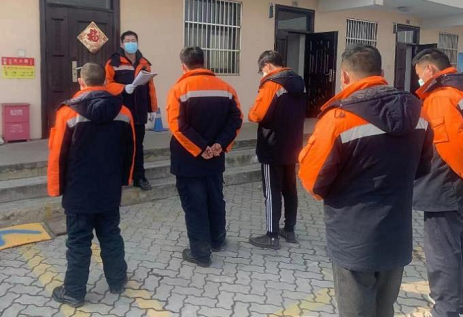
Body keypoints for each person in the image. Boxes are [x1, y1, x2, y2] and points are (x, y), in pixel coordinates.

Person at [298, 45, 432, 317]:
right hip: (396, 234)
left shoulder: (339, 118)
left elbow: (313, 180)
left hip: (354, 238)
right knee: (384, 309)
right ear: (381, 73)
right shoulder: (419, 112)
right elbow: (422, 167)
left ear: (344, 76)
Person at [47, 63, 135, 308]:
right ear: (105, 82)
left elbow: (57, 155)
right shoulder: (124, 111)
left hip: (79, 190)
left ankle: (74, 292)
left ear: (81, 82)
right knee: (111, 234)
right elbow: (130, 151)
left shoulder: (67, 112)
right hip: (109, 189)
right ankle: (117, 280)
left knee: (78, 241)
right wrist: (125, 180)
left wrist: (55, 188)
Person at [167, 46, 243, 267]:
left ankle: (200, 254)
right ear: (204, 62)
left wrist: (202, 148)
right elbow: (236, 120)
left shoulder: (179, 89)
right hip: (215, 157)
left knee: (195, 205)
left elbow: (177, 126)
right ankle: (217, 240)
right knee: (215, 199)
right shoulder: (226, 88)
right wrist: (219, 144)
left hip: (188, 160)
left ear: (184, 66)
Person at [412, 49, 463, 317]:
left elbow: (451, 145)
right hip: (455, 184)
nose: (419, 80)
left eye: (419, 74)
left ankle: (446, 309)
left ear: (429, 70)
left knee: (442, 252)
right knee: (456, 246)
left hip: (445, 185)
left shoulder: (441, 97)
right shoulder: (458, 91)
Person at [248, 50, 306, 249]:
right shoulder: (299, 82)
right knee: (290, 189)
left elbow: (257, 114)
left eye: (262, 70)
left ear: (268, 65)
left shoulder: (272, 84)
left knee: (272, 191)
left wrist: (251, 112)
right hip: (293, 144)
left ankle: (272, 236)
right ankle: (289, 229)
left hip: (272, 145)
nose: (262, 74)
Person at [105, 30, 157, 191]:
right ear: (122, 44)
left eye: (133, 40)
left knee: (138, 145)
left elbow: (150, 88)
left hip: (139, 111)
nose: (130, 43)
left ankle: (139, 177)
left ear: (137, 42)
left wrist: (153, 109)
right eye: (127, 41)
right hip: (120, 111)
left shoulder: (144, 63)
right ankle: (117, 177)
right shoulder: (113, 62)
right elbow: (106, 84)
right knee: (119, 144)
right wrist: (123, 88)